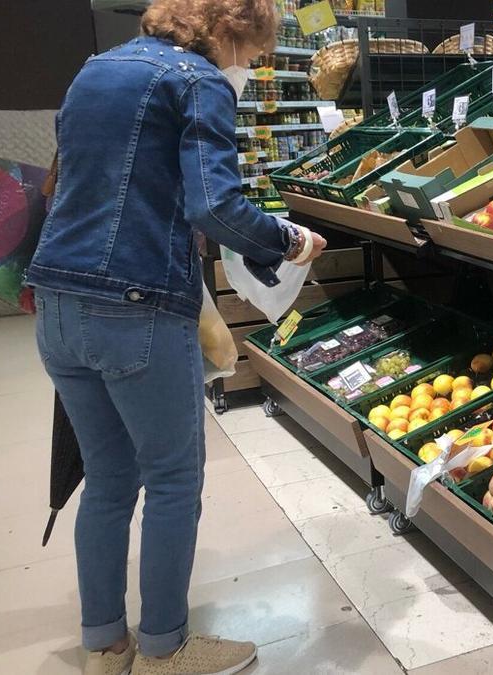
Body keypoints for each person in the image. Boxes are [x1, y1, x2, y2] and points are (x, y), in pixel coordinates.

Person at [26, 1, 327, 673]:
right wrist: (291, 240)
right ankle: (166, 648)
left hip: (57, 302)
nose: (246, 68)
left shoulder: (93, 71)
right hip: (136, 306)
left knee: (106, 479)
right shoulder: (197, 82)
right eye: (250, 52)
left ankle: (104, 643)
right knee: (171, 480)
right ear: (229, 28)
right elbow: (214, 205)